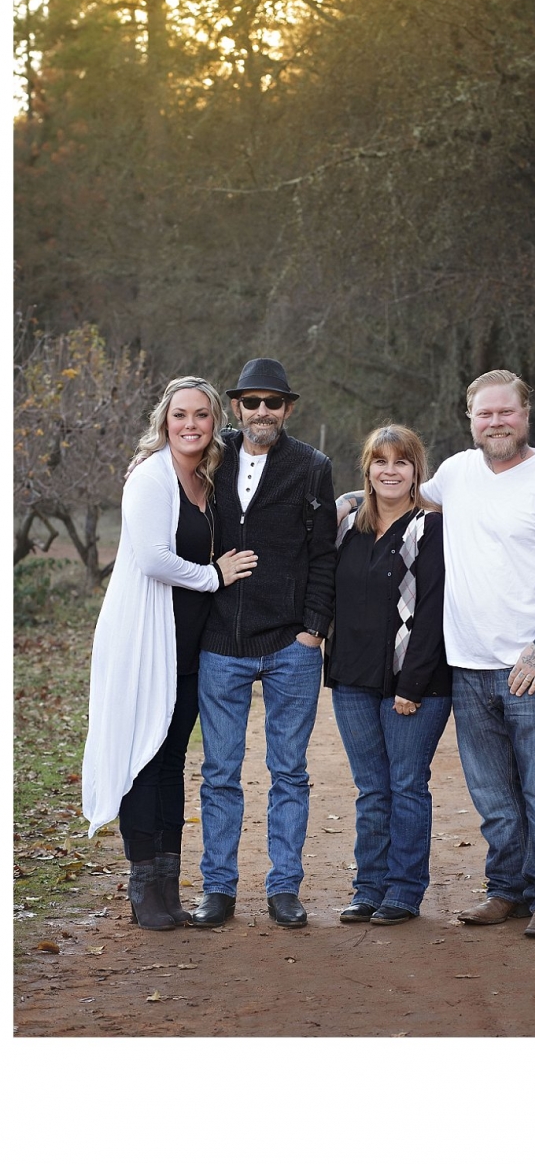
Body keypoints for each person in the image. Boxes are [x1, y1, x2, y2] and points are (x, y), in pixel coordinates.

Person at [338, 369, 535, 939]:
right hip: (468, 667)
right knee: (493, 795)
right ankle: (507, 891)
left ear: (525, 414)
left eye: (506, 412)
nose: (496, 422)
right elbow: (397, 493)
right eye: (485, 414)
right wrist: (342, 502)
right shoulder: (456, 473)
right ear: (470, 419)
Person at [81, 377, 257, 930]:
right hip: (143, 640)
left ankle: (168, 887)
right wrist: (214, 575)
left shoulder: (206, 478)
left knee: (173, 761)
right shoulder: (150, 478)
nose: (190, 424)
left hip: (189, 650)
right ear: (165, 420)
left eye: (201, 416)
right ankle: (144, 890)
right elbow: (154, 558)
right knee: (144, 761)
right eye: (180, 414)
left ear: (213, 424)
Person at [190, 358, 337, 930]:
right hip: (221, 641)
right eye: (251, 403)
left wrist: (312, 630)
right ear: (236, 408)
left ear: (288, 409)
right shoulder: (213, 455)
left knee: (289, 771)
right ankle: (218, 890)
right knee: (220, 772)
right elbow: (162, 467)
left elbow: (324, 554)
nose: (262, 412)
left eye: (272, 403)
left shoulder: (311, 467)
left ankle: (284, 889)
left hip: (289, 647)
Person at [326, 425, 451, 925]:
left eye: (401, 462)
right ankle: (368, 888)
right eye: (381, 462)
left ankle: (403, 891)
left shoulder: (432, 528)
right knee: (371, 789)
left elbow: (434, 608)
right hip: (351, 679)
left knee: (406, 785)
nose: (390, 471)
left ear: (417, 470)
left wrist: (411, 685)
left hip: (413, 683)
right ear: (368, 470)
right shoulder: (347, 527)